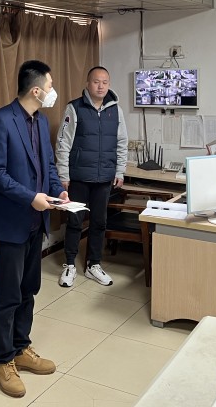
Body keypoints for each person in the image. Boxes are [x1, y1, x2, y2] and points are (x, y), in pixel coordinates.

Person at [0, 60, 68, 398]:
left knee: (28, 289)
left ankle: (20, 347)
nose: (52, 91)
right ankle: (2, 360)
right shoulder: (0, 121)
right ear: (36, 90)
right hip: (9, 223)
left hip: (35, 222)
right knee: (8, 295)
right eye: (50, 86)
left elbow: (48, 165)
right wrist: (31, 197)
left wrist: (58, 191)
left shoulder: (40, 121)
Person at [55, 66, 128, 287]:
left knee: (99, 222)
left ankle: (93, 265)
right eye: (96, 82)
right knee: (75, 221)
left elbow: (122, 143)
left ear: (109, 84)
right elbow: (63, 143)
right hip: (78, 177)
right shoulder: (74, 108)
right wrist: (63, 174)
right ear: (88, 83)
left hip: (104, 178)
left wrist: (120, 171)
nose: (101, 86)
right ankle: (69, 264)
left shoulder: (116, 111)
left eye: (105, 82)